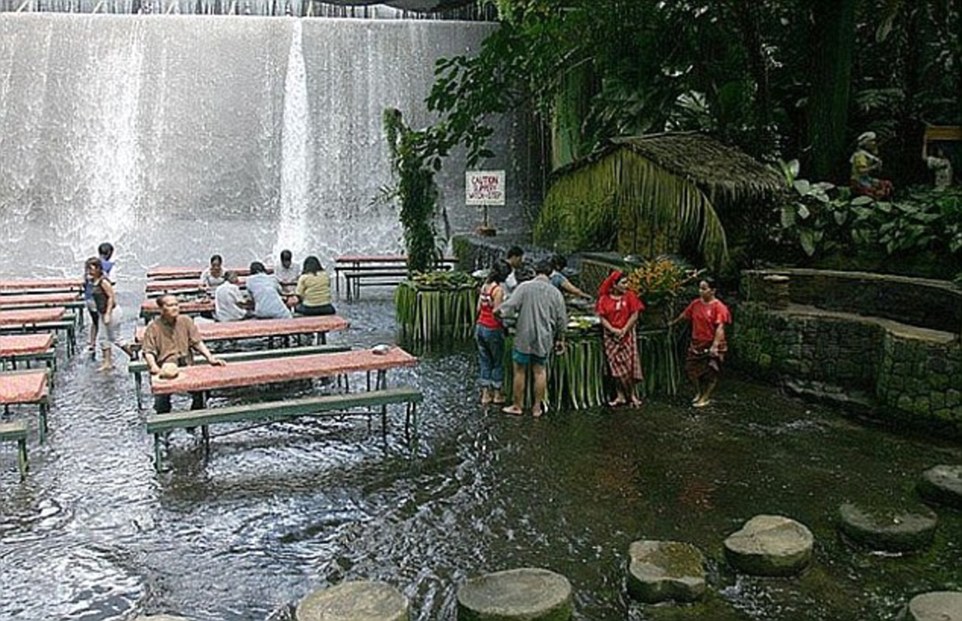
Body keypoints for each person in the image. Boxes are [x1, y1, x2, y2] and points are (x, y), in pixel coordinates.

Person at [497, 258, 568, 418]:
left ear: (535, 272)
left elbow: (509, 306)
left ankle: (517, 406)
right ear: (550, 274)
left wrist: (499, 313)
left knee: (520, 371)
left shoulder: (524, 287)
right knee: (540, 371)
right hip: (544, 337)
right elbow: (562, 319)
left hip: (524, 335)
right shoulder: (556, 293)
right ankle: (537, 408)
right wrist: (560, 338)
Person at [142, 294, 225, 413]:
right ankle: (164, 419)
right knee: (162, 400)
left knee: (202, 392)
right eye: (170, 305)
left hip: (186, 363)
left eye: (176, 305)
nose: (175, 308)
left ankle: (195, 417)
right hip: (165, 366)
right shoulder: (153, 327)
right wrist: (154, 366)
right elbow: (148, 351)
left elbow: (197, 342)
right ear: (161, 309)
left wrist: (210, 358)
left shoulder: (186, 321)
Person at [668, 278, 732, 408]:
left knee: (711, 372)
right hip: (696, 342)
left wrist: (715, 345)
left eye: (704, 289)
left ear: (712, 290)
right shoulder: (695, 304)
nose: (700, 291)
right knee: (690, 369)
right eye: (700, 288)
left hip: (712, 343)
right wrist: (672, 323)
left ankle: (705, 396)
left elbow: (720, 328)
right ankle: (698, 391)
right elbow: (684, 315)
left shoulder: (719, 307)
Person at [596, 270, 645, 407]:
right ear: (614, 284)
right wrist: (612, 330)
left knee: (629, 366)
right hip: (611, 336)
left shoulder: (630, 296)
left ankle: (632, 395)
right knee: (615, 366)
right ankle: (620, 395)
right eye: (623, 283)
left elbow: (634, 314)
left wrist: (624, 329)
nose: (626, 285)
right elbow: (602, 318)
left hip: (627, 335)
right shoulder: (604, 299)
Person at [85, 257, 132, 371]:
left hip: (112, 312)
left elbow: (111, 297)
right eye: (88, 269)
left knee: (115, 338)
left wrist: (107, 314)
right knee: (103, 338)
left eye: (91, 269)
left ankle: (133, 353)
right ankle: (107, 362)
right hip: (102, 312)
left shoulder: (103, 281)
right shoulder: (93, 280)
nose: (89, 271)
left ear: (98, 269)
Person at [475, 259, 510, 405]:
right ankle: (497, 395)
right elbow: (497, 311)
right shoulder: (498, 290)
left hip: (480, 327)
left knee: (484, 361)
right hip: (492, 328)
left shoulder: (485, 287)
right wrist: (505, 324)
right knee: (497, 362)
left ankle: (485, 395)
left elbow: (478, 308)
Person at [84, 242, 116, 354]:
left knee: (94, 322)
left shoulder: (90, 265)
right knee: (104, 323)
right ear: (110, 253)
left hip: (89, 298)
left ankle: (91, 344)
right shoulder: (110, 266)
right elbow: (112, 282)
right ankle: (107, 349)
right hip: (101, 299)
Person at [850, 131, 893, 199]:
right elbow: (861, 170)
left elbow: (877, 145)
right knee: (878, 192)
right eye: (872, 141)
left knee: (886, 184)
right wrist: (874, 167)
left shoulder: (867, 154)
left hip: (866, 179)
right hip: (859, 181)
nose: (874, 143)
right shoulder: (860, 155)